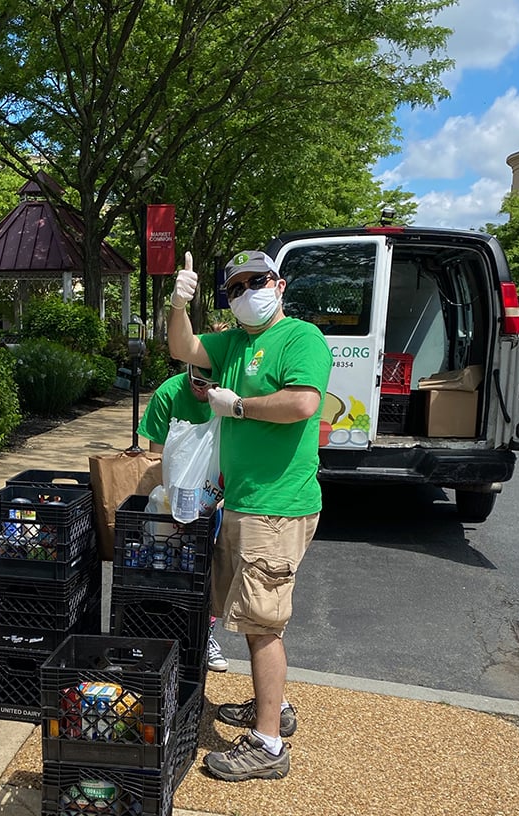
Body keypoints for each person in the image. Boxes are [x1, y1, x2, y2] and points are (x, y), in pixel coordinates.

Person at [167, 249, 331, 782]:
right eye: (234, 288)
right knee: (245, 613)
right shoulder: (235, 341)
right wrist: (179, 301)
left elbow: (304, 403)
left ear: (278, 284)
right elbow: (182, 346)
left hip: (277, 507)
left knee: (262, 624)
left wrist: (236, 405)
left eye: (254, 281)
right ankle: (273, 706)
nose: (245, 294)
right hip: (241, 501)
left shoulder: (300, 338)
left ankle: (268, 744)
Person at [136, 363, 229, 673]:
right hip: (172, 499)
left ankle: (206, 636)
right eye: (196, 380)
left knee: (207, 570)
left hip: (211, 500)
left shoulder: (229, 396)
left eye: (209, 383)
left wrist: (217, 499)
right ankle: (160, 634)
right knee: (164, 563)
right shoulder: (169, 393)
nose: (202, 389)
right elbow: (157, 455)